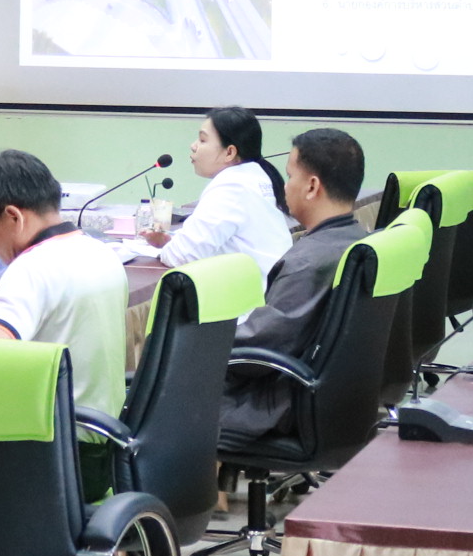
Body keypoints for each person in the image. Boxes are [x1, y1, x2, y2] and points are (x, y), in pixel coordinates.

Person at [0, 148, 129, 417]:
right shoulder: (101, 252)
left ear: (13, 217)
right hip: (101, 425)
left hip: (53, 433)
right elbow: (63, 326)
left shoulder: (32, 267)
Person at [220, 127, 369, 446]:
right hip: (338, 403)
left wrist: (194, 345)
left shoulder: (308, 262)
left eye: (289, 176)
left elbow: (257, 352)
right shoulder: (360, 240)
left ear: (312, 186)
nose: (284, 187)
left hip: (273, 406)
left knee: (159, 396)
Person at [144, 106, 291, 269]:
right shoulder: (254, 175)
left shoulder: (232, 186)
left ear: (229, 152)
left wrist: (167, 249)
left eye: (202, 140)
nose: (193, 146)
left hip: (255, 284)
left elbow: (181, 256)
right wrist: (170, 241)